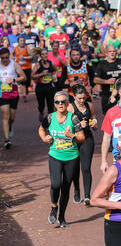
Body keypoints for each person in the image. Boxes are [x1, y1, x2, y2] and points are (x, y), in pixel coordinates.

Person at [38, 91, 85, 227]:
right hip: (55, 156)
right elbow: (41, 129)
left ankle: (62, 217)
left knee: (65, 188)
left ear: (67, 103)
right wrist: (44, 138)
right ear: (54, 104)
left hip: (71, 157)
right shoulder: (50, 118)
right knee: (55, 184)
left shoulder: (73, 118)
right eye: (57, 102)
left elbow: (82, 138)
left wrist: (72, 135)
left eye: (63, 101)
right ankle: (54, 207)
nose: (60, 104)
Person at [68, 84, 97, 205]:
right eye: (79, 98)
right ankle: (77, 190)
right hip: (74, 139)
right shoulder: (70, 108)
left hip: (87, 138)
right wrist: (79, 125)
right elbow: (66, 127)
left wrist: (94, 123)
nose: (82, 101)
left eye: (83, 98)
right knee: (74, 168)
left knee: (86, 167)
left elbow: (93, 117)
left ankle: (87, 196)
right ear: (73, 96)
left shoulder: (89, 105)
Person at [0, 47, 26, 149]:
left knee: (12, 118)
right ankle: (7, 140)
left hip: (13, 93)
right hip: (2, 93)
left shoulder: (14, 64)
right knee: (5, 115)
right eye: (3, 58)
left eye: (6, 57)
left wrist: (14, 79)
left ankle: (10, 126)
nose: (5, 60)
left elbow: (24, 77)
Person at [93, 46, 121, 115]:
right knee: (108, 116)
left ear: (116, 53)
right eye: (110, 51)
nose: (112, 53)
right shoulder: (102, 64)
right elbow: (95, 80)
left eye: (113, 51)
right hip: (107, 94)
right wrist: (107, 81)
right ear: (106, 53)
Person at [31, 48, 58, 122]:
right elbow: (32, 76)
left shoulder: (51, 63)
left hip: (50, 87)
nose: (45, 55)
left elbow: (56, 69)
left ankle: (50, 123)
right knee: (41, 105)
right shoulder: (37, 65)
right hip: (40, 88)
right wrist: (42, 74)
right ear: (40, 56)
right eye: (43, 54)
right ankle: (41, 112)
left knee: (51, 106)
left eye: (46, 54)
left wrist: (54, 76)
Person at [13, 36, 33, 102]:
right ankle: (24, 96)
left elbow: (31, 56)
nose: (22, 42)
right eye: (21, 41)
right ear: (18, 42)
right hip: (19, 68)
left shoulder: (27, 48)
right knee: (22, 82)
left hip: (27, 67)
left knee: (27, 81)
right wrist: (14, 59)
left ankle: (26, 89)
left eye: (23, 41)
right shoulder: (15, 48)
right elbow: (11, 55)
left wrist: (24, 58)